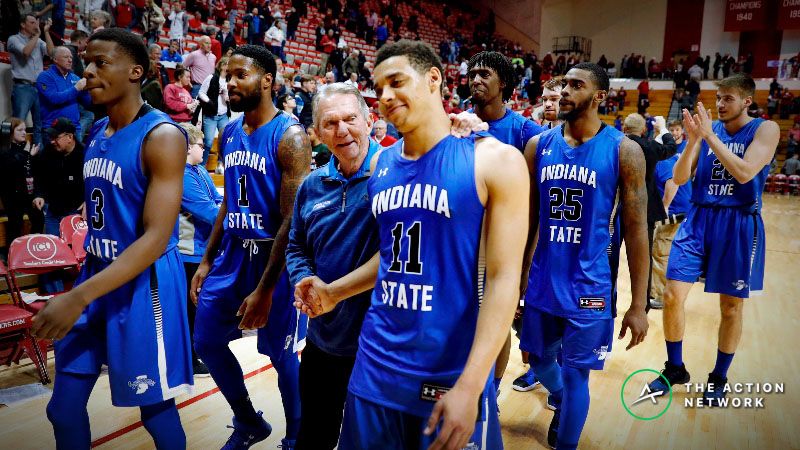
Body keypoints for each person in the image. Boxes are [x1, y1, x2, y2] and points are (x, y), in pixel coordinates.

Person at [294, 39, 528, 450]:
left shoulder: (496, 160)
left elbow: (505, 279)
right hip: (374, 365)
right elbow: (391, 255)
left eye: (396, 82)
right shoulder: (383, 165)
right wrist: (334, 292)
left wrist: (472, 385)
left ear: (433, 78)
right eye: (379, 87)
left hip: (448, 369)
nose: (384, 96)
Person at [33, 28, 193, 449]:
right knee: (62, 408)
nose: (87, 72)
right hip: (99, 274)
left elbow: (156, 238)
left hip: (144, 284)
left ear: (135, 71)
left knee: (154, 411)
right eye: (86, 62)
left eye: (100, 62)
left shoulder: (162, 136)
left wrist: (78, 296)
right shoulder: (99, 130)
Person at [520, 63, 649, 449]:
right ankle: (559, 400)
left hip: (589, 286)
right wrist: (515, 279)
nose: (564, 92)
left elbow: (638, 231)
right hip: (542, 279)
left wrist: (638, 304)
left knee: (578, 375)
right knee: (538, 361)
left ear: (599, 97)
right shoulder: (538, 146)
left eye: (576, 86)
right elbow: (526, 222)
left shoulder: (624, 151)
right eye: (562, 85)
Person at [190, 45, 311, 450]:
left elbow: (292, 221)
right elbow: (228, 202)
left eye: (240, 75)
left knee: (280, 354)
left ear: (267, 81)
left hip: (273, 258)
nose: (230, 83)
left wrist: (264, 289)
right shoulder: (227, 132)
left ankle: (297, 435)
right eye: (227, 77)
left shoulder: (290, 136)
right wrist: (207, 259)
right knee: (205, 340)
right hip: (233, 253)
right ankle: (248, 421)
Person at [650, 74, 780, 405]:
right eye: (718, 98)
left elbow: (745, 172)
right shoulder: (708, 133)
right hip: (698, 219)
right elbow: (679, 178)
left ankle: (719, 377)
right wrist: (694, 141)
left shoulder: (765, 129)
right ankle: (675, 367)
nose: (720, 104)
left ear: (747, 101)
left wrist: (709, 136)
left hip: (738, 223)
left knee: (731, 306)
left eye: (728, 98)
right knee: (671, 295)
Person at [286, 83, 381, 450]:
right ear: (316, 132)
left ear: (369, 120)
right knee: (314, 436)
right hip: (323, 341)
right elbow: (296, 244)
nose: (342, 130)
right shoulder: (312, 185)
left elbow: (395, 254)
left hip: (376, 347)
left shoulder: (395, 176)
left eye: (350, 119)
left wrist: (335, 293)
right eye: (330, 123)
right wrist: (304, 280)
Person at [177, 123, 222, 376]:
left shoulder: (200, 170)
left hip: (203, 249)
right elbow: (209, 212)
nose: (204, 150)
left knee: (199, 306)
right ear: (187, 148)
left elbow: (217, 201)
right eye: (200, 146)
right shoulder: (182, 175)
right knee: (188, 308)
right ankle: (189, 359)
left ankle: (199, 350)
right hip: (187, 252)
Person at [622, 114, 676, 309]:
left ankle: (606, 303)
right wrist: (663, 129)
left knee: (607, 256)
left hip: (618, 207)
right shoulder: (650, 146)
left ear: (624, 129)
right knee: (643, 258)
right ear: (643, 130)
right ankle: (643, 303)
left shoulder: (616, 144)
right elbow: (671, 148)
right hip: (645, 209)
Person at [32, 118, 86, 292]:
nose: (52, 141)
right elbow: (39, 177)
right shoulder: (48, 152)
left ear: (70, 137)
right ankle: (55, 297)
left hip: (76, 214)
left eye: (56, 137)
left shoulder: (85, 154)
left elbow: (95, 181)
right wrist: (39, 195)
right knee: (49, 257)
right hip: (54, 212)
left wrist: (88, 201)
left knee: (82, 256)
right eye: (51, 137)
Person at [649, 120, 692, 309]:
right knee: (674, 252)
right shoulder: (673, 156)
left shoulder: (664, 159)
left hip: (673, 211)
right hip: (684, 209)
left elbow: (672, 182)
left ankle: (660, 295)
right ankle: (671, 291)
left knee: (660, 252)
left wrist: (665, 206)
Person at [8, 14, 54, 146]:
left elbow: (51, 53)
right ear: (23, 24)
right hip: (23, 87)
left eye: (36, 23)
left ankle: (37, 154)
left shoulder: (38, 40)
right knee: (18, 123)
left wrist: (46, 32)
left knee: (39, 124)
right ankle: (16, 154)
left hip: (39, 87)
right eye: (33, 23)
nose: (36, 26)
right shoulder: (13, 39)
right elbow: (25, 52)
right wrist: (37, 36)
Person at [0, 117, 43, 249]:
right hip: (12, 197)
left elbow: (35, 174)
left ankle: (35, 249)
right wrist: (28, 154)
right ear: (10, 132)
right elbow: (13, 169)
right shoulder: (5, 151)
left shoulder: (27, 149)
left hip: (28, 195)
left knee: (39, 216)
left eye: (25, 129)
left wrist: (37, 195)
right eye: (20, 130)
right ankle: (12, 255)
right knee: (15, 222)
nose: (24, 133)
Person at [36, 46, 92, 139]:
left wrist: (86, 91)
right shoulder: (45, 76)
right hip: (53, 129)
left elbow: (87, 103)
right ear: (55, 59)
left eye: (71, 57)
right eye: (66, 57)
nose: (70, 60)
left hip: (74, 129)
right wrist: (76, 89)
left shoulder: (74, 78)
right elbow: (54, 99)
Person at [198, 57, 230, 164]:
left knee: (225, 140)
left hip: (224, 115)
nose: (228, 67)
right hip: (211, 114)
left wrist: (227, 96)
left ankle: (220, 164)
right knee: (208, 141)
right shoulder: (211, 78)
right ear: (221, 66)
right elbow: (201, 93)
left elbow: (230, 99)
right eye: (226, 64)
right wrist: (209, 101)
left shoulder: (230, 81)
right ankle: (201, 165)